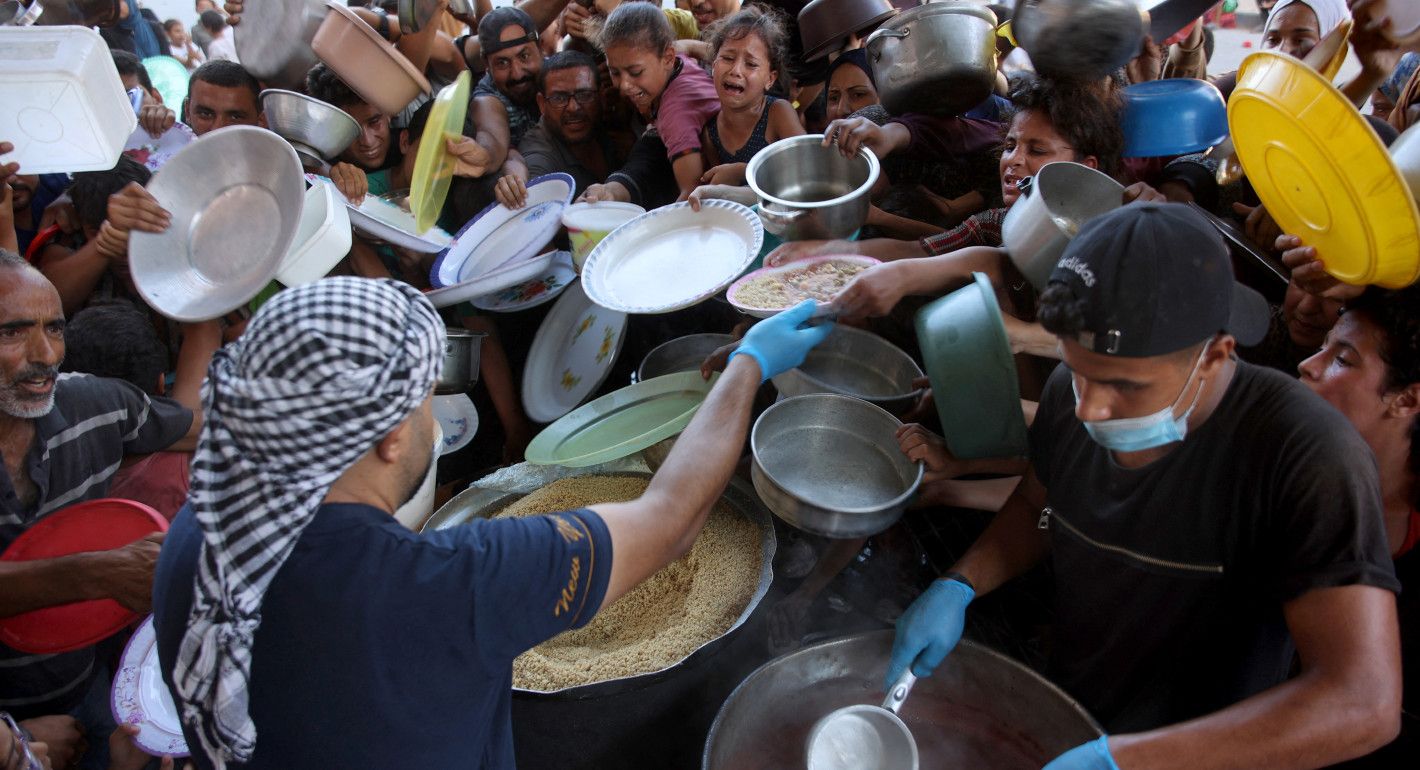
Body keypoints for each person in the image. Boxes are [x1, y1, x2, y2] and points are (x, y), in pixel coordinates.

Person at [152, 278, 832, 767]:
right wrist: (748, 365)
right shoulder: (436, 584)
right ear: (390, 435)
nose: (431, 416)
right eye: (424, 399)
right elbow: (671, 520)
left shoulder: (197, 534)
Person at [888, 203, 1401, 769]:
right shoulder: (1070, 394)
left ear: (1214, 356)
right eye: (1078, 370)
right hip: (1073, 706)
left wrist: (1125, 761)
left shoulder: (1305, 453)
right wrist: (961, 584)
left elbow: (1363, 702)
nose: (1091, 407)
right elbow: (1039, 506)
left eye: (1125, 385)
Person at [0, 251, 201, 752]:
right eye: (12, 332)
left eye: (55, 329)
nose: (45, 354)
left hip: (95, 691)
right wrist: (15, 741)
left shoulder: (96, 404)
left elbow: (197, 430)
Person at [1297, 287, 1419, 767]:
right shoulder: (1278, 473)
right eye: (1323, 345)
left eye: (1342, 359)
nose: (1309, 363)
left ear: (1407, 399)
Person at [599, 2, 720, 198]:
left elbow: (693, 194)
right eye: (615, 72)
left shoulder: (675, 114)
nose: (624, 85)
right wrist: (688, 45)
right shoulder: (676, 63)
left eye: (635, 72)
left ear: (668, 57)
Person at [499, 51, 628, 203]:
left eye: (584, 94)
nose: (573, 107)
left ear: (601, 97)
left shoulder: (611, 123)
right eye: (559, 98)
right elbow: (535, 201)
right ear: (541, 103)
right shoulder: (539, 152)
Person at [698, 6, 804, 185]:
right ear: (713, 65)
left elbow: (806, 165)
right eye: (728, 58)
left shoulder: (777, 113)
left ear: (770, 79)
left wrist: (743, 171)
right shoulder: (710, 133)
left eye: (751, 64)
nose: (736, 70)